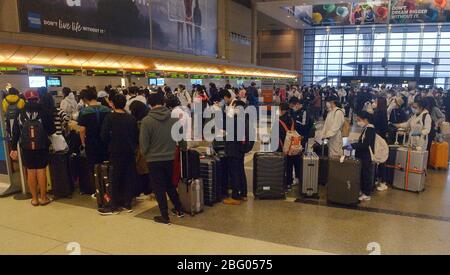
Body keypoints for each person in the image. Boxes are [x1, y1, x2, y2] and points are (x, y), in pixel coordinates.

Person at [140, 92, 184, 225]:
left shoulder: (146, 121)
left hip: (153, 160)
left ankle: (164, 216)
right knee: (170, 185)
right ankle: (179, 209)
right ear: (164, 103)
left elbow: (144, 145)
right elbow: (181, 140)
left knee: (159, 188)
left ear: (149, 104)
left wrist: (146, 154)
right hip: (170, 158)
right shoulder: (174, 118)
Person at [10, 90, 56, 207]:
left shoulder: (20, 112)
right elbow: (52, 130)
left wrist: (13, 148)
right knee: (41, 170)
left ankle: (34, 199)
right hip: (42, 146)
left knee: (30, 171)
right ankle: (43, 198)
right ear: (38, 98)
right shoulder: (44, 111)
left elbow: (15, 132)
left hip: (26, 147)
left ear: (25, 99)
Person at [100, 94, 138, 215]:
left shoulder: (109, 118)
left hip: (115, 151)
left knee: (114, 178)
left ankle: (113, 205)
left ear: (113, 104)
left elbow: (104, 136)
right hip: (129, 151)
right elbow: (136, 136)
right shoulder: (131, 118)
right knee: (128, 176)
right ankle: (127, 203)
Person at [77, 88, 111, 195]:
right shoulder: (106, 109)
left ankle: (98, 191)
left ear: (85, 99)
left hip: (91, 142)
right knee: (106, 165)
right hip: (106, 142)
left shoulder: (84, 112)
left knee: (93, 167)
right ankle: (108, 189)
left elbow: (82, 129)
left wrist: (83, 142)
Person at [223, 99, 251, 205]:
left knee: (234, 172)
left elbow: (226, 126)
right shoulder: (245, 118)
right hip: (240, 149)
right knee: (240, 171)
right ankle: (243, 194)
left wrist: (229, 114)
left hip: (233, 149)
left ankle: (236, 196)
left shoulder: (236, 119)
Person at [345, 111, 376, 201]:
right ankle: (363, 191)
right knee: (362, 173)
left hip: (367, 155)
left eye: (359, 120)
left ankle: (367, 193)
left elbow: (365, 145)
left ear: (365, 120)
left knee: (366, 174)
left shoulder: (370, 129)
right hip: (363, 155)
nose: (358, 122)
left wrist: (352, 146)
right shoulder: (366, 128)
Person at [278, 103, 300, 191]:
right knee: (290, 165)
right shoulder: (292, 118)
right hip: (292, 146)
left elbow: (278, 136)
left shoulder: (279, 121)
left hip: (284, 146)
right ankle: (289, 183)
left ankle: (285, 184)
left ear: (282, 110)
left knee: (284, 166)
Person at [372, 97, 389, 192]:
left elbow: (383, 127)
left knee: (382, 160)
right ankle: (376, 178)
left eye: (376, 101)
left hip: (380, 139)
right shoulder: (377, 112)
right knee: (376, 158)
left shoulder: (382, 113)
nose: (374, 102)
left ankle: (383, 181)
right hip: (376, 138)